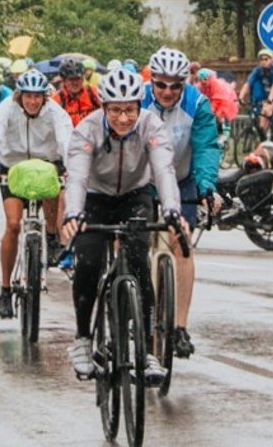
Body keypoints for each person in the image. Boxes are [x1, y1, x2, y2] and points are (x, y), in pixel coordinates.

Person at [61, 68, 185, 381]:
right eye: (115, 110)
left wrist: (171, 210)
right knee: (88, 259)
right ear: (103, 108)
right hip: (95, 197)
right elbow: (76, 176)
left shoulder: (150, 125)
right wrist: (73, 214)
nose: (123, 118)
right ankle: (82, 339)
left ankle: (145, 351)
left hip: (135, 194)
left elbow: (164, 169)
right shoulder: (87, 130)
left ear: (140, 107)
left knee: (139, 261)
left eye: (130, 109)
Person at [0, 68, 72, 319]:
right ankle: (6, 288)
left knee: (55, 188)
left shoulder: (55, 113)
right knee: (12, 224)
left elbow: (65, 139)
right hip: (13, 169)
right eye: (28, 96)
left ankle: (52, 237)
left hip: (46, 166)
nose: (33, 101)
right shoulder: (6, 109)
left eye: (38, 96)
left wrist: (72, 167)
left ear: (45, 97)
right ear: (19, 95)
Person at [142, 47, 217, 359]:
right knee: (134, 241)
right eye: (161, 85)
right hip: (142, 181)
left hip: (182, 178)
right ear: (152, 82)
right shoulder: (137, 101)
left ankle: (180, 327)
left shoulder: (197, 104)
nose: (168, 91)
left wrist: (206, 187)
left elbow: (206, 147)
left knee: (181, 243)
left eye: (176, 85)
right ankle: (136, 307)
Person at [53, 60, 101, 126]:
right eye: (71, 79)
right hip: (69, 134)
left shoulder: (92, 92)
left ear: (83, 79)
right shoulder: (57, 99)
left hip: (92, 133)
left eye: (78, 78)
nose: (75, 83)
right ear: (63, 80)